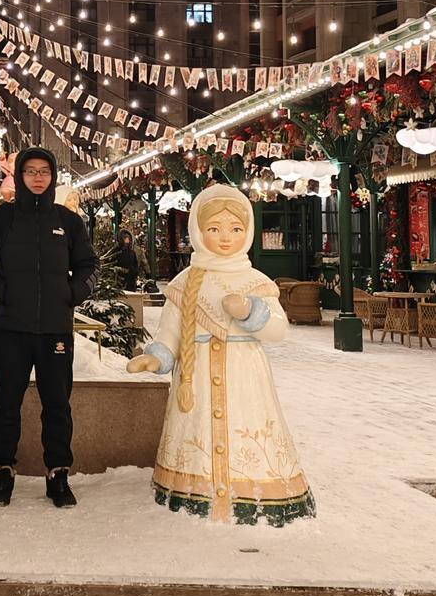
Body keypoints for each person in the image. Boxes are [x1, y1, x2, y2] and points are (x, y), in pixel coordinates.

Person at [126, 184, 315, 525]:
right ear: (198, 231)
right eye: (214, 229)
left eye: (236, 229)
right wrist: (156, 357)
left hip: (245, 378)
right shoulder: (186, 282)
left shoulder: (255, 280)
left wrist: (250, 312)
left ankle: (257, 491)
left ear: (248, 233)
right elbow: (170, 331)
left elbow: (278, 329)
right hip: (194, 378)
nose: (225, 238)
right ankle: (191, 488)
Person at [0, 146, 97, 508]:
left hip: (55, 330)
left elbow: (89, 266)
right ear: (19, 176)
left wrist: (72, 292)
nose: (37, 178)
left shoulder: (68, 222)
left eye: (44, 172)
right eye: (30, 172)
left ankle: (58, 475)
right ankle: (2, 472)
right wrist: (2, 292)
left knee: (57, 405)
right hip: (10, 330)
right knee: (6, 403)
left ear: (52, 177)